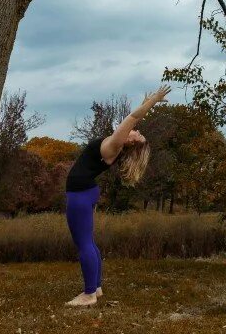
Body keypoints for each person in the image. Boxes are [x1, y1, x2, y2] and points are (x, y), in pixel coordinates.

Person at [64, 85, 171, 307]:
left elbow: (133, 117)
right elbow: (134, 119)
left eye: (137, 134)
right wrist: (148, 100)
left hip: (80, 195)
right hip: (86, 192)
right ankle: (97, 287)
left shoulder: (114, 145)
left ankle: (89, 294)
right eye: (138, 131)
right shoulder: (116, 146)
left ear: (130, 141)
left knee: (83, 244)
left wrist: (154, 100)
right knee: (88, 242)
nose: (136, 130)